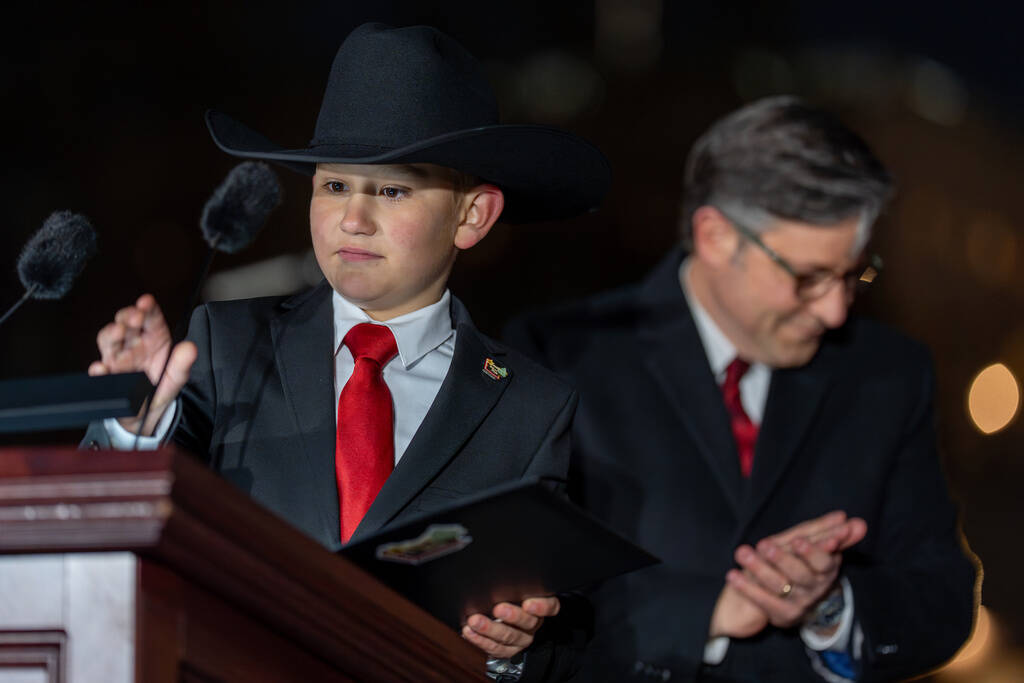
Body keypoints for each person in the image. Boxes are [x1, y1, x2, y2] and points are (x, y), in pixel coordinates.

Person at [83, 23, 610, 682]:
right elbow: (112, 538)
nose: (353, 218)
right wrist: (136, 422)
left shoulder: (530, 405)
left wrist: (514, 647)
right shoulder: (226, 345)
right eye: (334, 186)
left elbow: (565, 625)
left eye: (391, 190)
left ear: (472, 215)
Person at [505, 96, 977, 682]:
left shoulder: (889, 372)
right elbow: (516, 604)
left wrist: (828, 604)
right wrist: (708, 612)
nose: (835, 310)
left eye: (853, 274)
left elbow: (943, 598)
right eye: (808, 278)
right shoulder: (557, 356)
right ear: (716, 236)